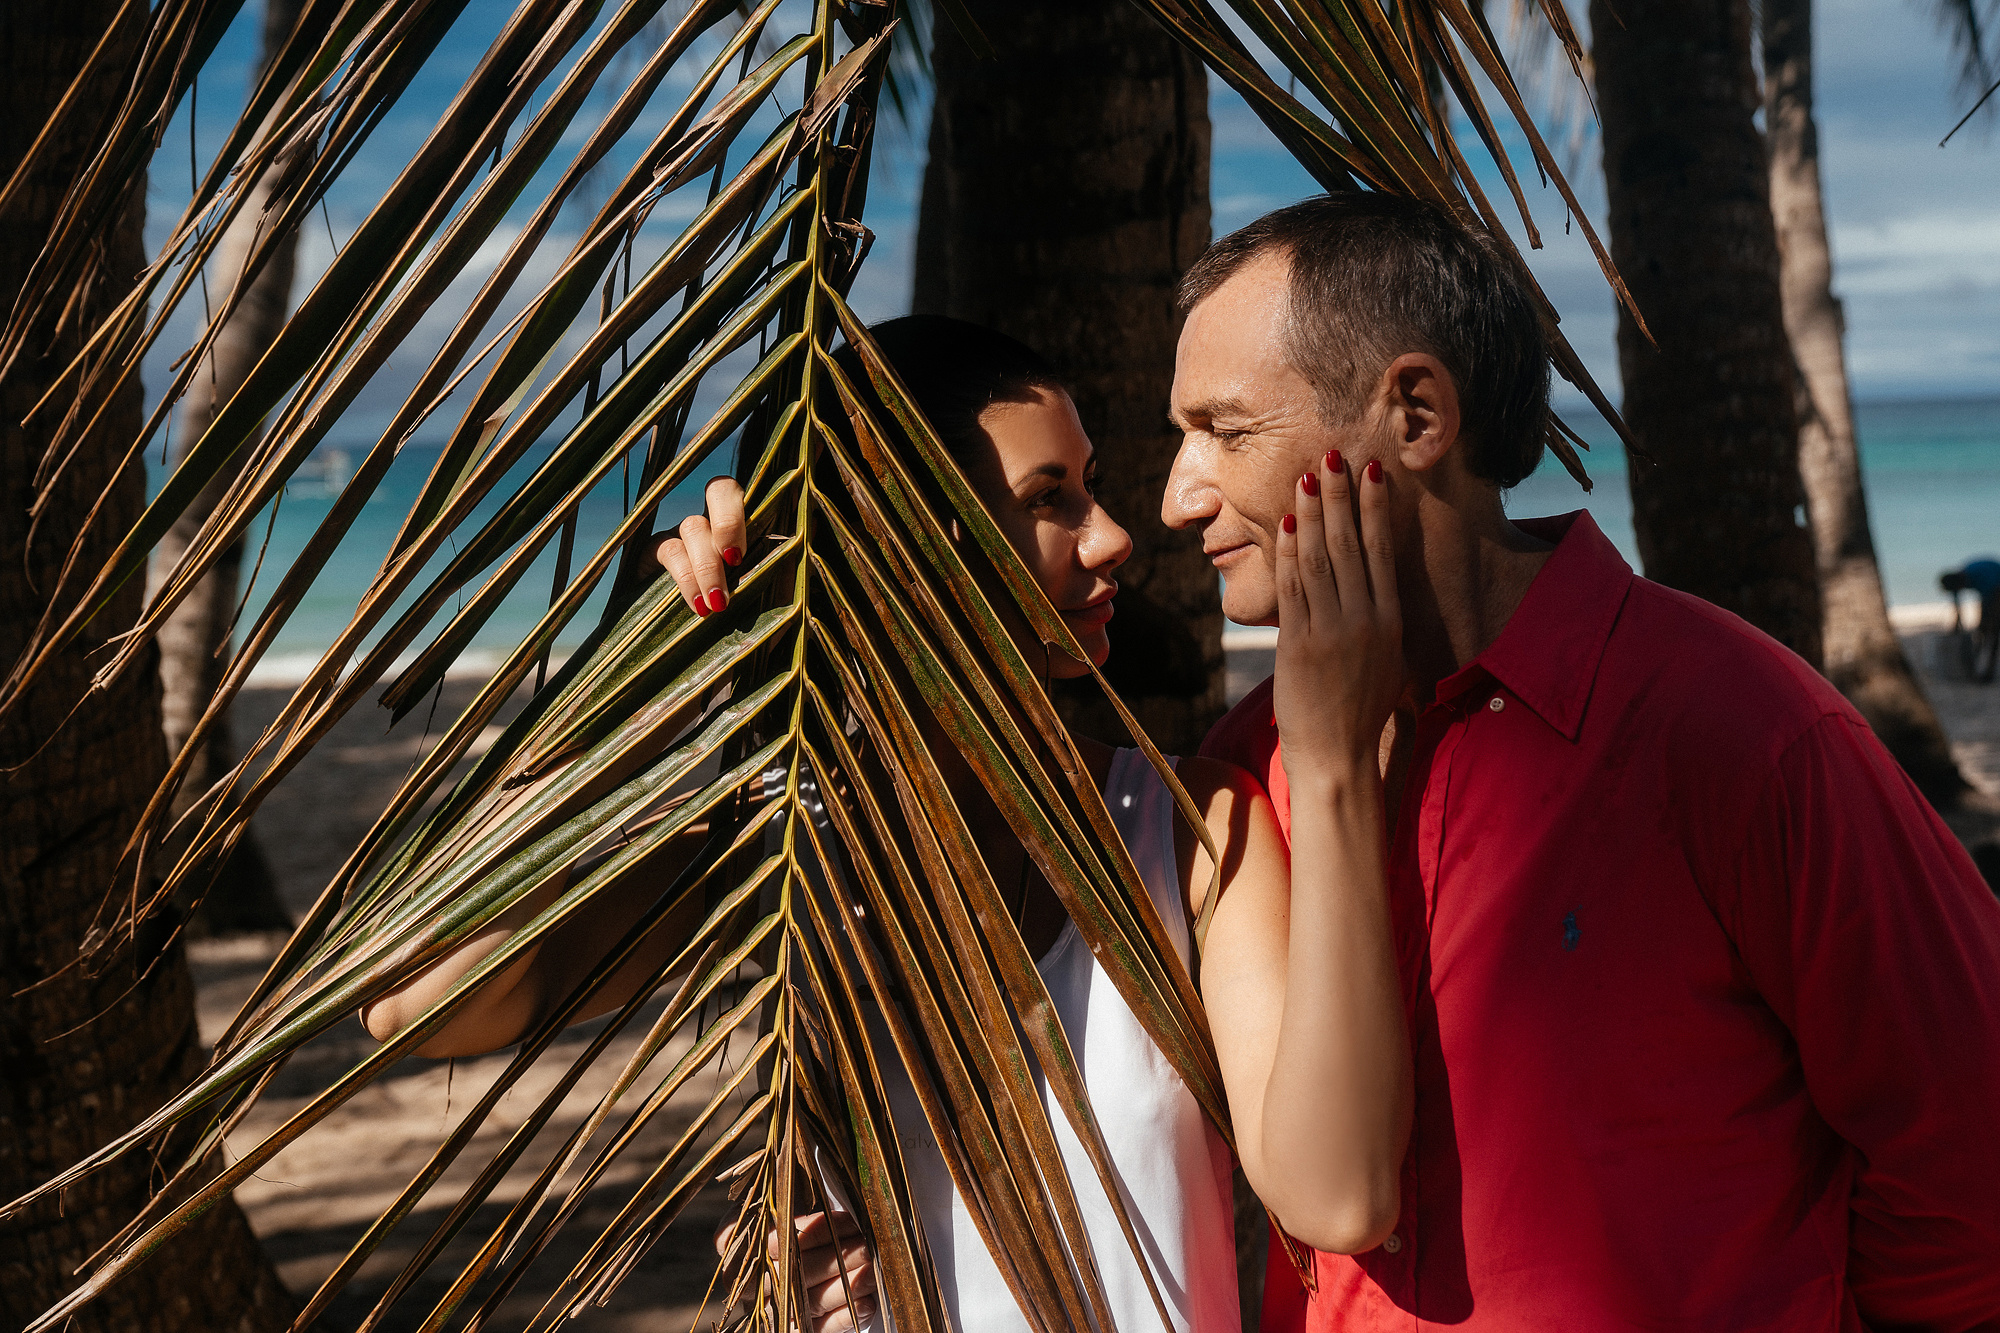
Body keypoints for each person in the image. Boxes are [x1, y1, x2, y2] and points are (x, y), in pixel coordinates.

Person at [364, 315, 1414, 1333]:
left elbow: (1334, 1197)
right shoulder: (781, 860)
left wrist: (1327, 765)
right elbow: (416, 1004)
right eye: (1051, 498)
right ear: (915, 543)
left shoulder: (1184, 829)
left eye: (1086, 486)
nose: (1113, 536)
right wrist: (626, 690)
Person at [1170, 193, 2000, 1330]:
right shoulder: (1243, 768)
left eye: (1223, 429)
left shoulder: (1734, 731)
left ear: (1414, 414)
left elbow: (1966, 1158)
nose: (1179, 495)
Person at [1939, 556, 2000, 682]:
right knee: (1983, 632)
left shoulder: (1977, 575)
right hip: (1990, 591)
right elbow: (1957, 608)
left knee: (1993, 632)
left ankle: (1987, 672)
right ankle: (1976, 667)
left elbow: (1994, 599)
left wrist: (1987, 623)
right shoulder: (1957, 581)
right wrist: (1957, 628)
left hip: (1996, 588)